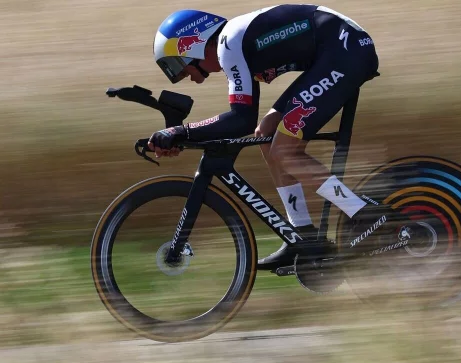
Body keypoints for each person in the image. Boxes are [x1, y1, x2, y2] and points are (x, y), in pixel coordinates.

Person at [148, 5, 384, 271]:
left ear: (193, 43)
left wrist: (181, 132)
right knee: (267, 134)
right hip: (337, 51)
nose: (186, 77)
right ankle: (301, 234)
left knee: (285, 150)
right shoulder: (235, 42)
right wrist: (183, 133)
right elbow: (247, 120)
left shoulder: (229, 44)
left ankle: (364, 213)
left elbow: (240, 120)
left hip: (345, 50)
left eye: (178, 65)